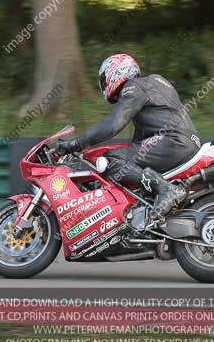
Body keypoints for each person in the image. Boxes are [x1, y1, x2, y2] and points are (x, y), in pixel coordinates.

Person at [57, 54, 201, 220]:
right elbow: (141, 139)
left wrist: (77, 143)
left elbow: (112, 125)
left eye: (105, 79)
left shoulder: (134, 87)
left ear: (118, 71)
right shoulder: (156, 81)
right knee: (126, 160)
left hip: (172, 141)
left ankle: (166, 190)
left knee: (110, 161)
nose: (104, 84)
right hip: (185, 141)